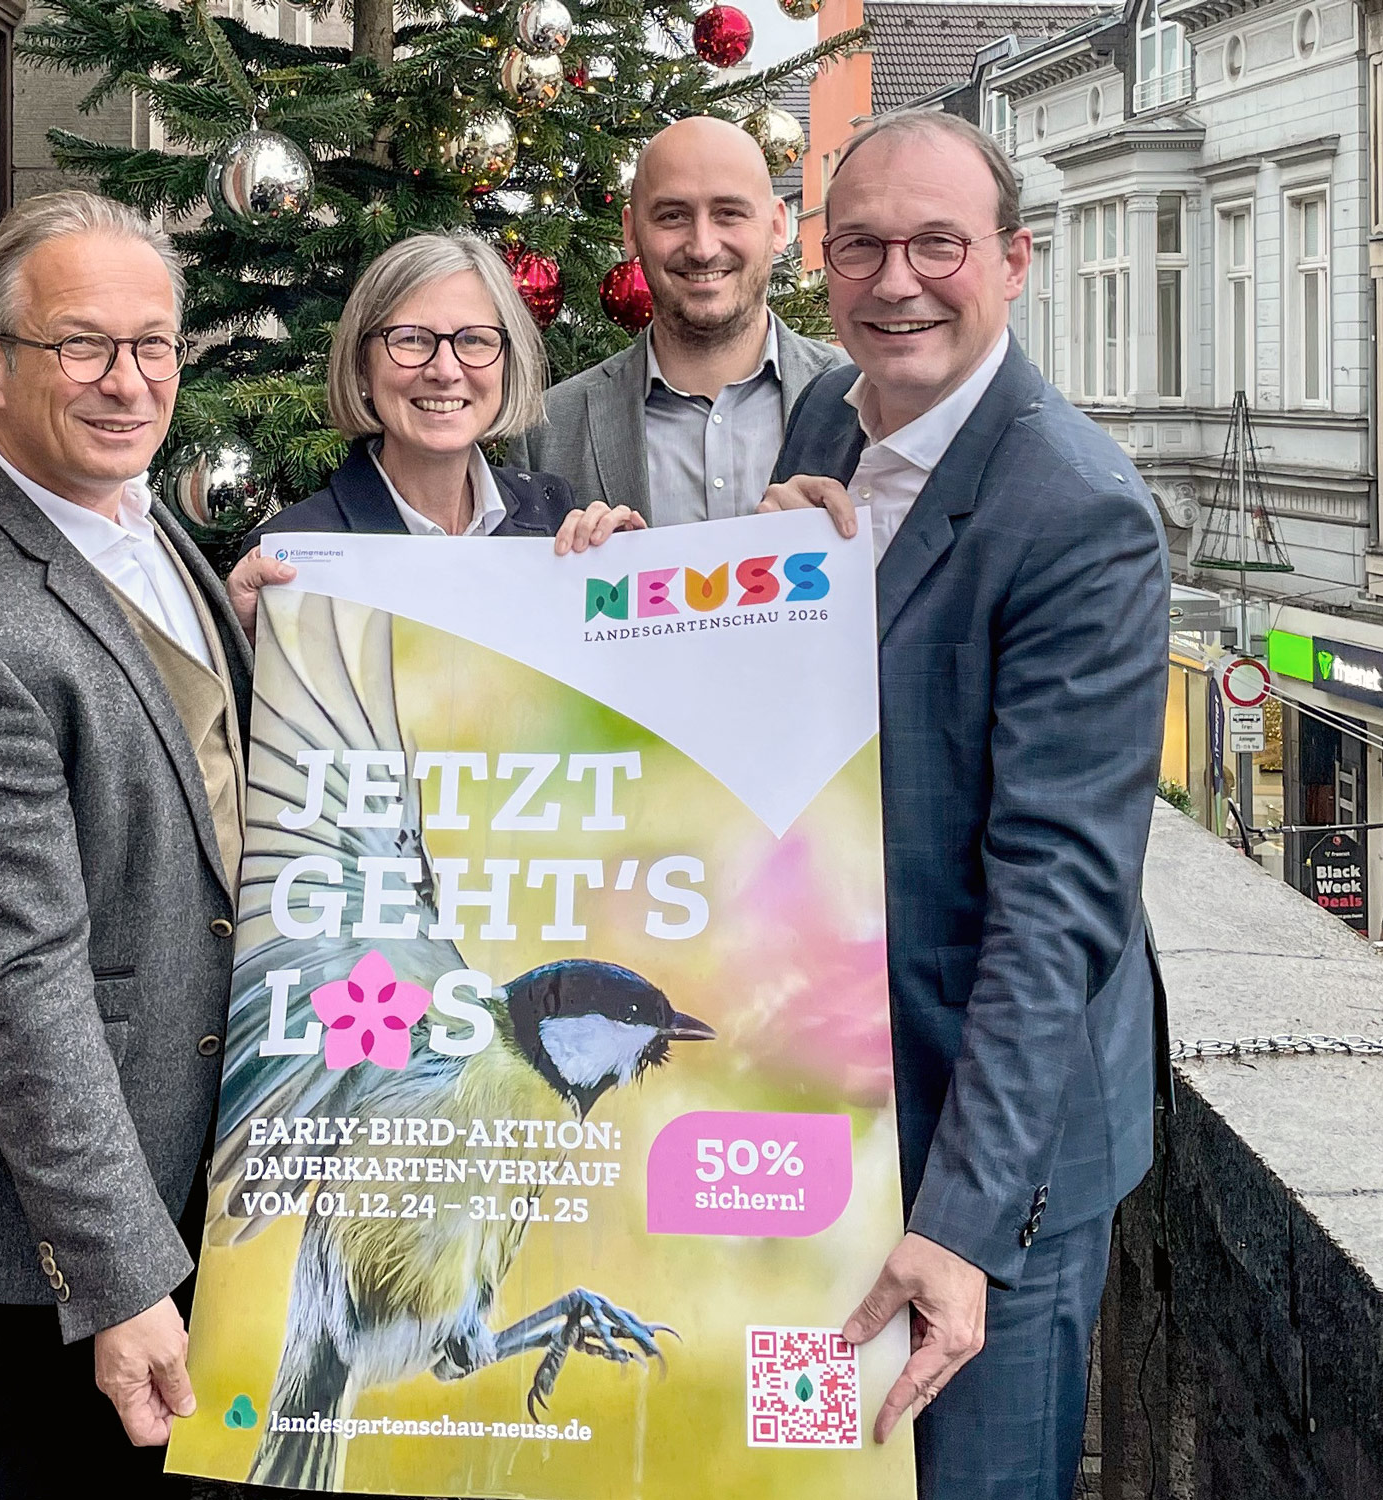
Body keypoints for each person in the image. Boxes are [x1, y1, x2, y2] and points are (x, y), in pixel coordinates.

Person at [760, 110, 1169, 1499]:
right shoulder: (830, 411)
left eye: (938, 243)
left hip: (994, 1152)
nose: (897, 280)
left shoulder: (1078, 512)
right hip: (830, 1112)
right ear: (822, 266)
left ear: (1015, 262)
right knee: (814, 1467)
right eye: (862, 245)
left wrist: (965, 1226)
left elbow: (1058, 899)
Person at [0, 190, 246, 1498]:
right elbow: (21, 989)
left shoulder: (111, 507)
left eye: (154, 345)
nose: (126, 382)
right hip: (35, 1267)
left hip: (164, 1163)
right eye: (83, 345)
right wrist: (122, 1279)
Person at [227, 232, 639, 628]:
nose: (445, 370)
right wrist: (248, 649)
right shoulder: (292, 553)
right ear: (361, 365)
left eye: (475, 340)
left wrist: (629, 578)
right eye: (411, 339)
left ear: (506, 365)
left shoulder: (552, 516)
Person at [506, 115, 845, 526]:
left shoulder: (866, 403)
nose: (702, 247)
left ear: (777, 226)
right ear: (631, 233)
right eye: (672, 216)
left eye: (729, 213)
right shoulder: (549, 430)